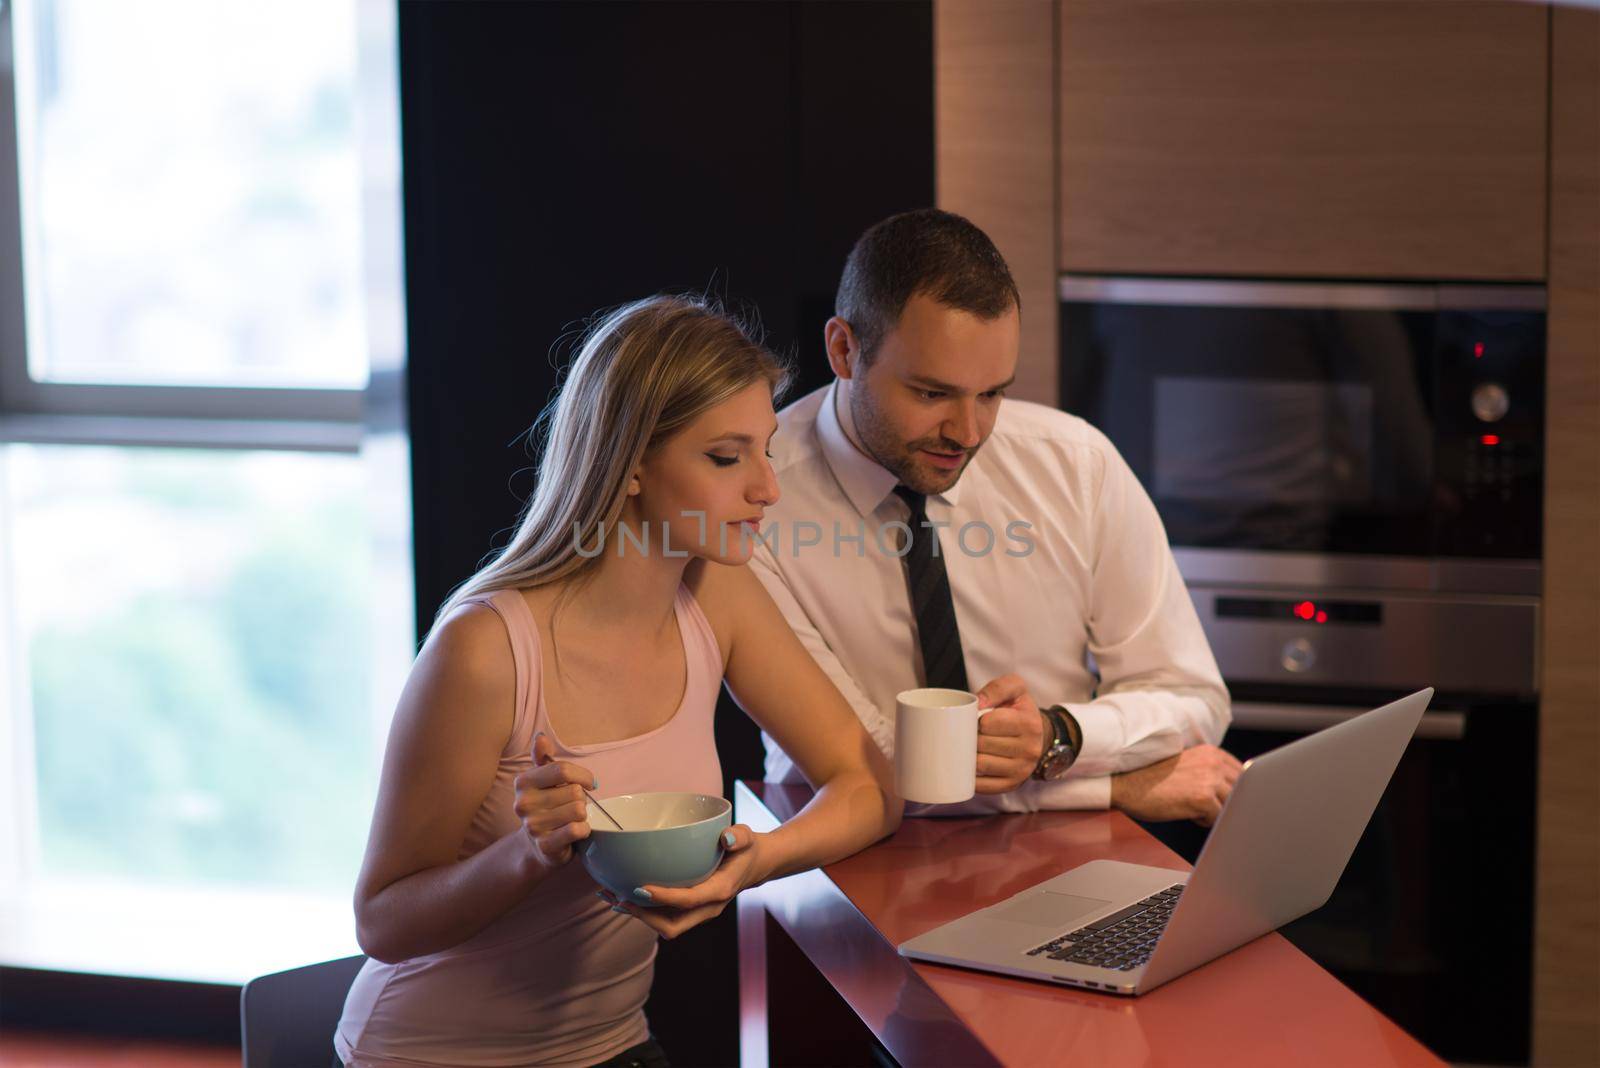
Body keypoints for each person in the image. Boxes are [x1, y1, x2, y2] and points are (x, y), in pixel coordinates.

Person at [336, 295, 902, 1068]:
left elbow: (869, 786)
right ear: (631, 462)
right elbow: (382, 921)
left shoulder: (717, 595)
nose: (768, 488)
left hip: (614, 1047)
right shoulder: (485, 649)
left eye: (767, 450)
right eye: (727, 457)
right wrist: (529, 854)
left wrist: (753, 863)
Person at [750, 208, 1241, 821]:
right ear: (845, 350)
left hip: (1057, 856)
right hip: (834, 866)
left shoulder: (1077, 466)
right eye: (932, 394)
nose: (968, 432)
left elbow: (1193, 699)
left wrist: (1060, 737)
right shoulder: (756, 498)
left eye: (992, 393)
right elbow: (862, 767)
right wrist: (1117, 787)